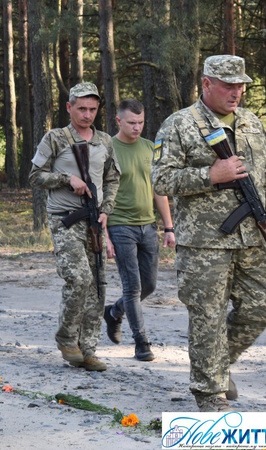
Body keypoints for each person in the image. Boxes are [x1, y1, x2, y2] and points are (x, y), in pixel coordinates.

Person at [152, 54, 266, 412]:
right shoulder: (180, 124)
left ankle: (219, 367)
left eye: (241, 85)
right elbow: (161, 180)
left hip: (253, 236)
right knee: (207, 316)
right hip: (204, 243)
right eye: (228, 85)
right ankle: (209, 394)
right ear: (206, 83)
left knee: (264, 302)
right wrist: (210, 176)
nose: (236, 91)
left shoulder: (251, 122)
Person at [28, 82, 121, 372]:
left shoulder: (104, 141)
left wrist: (106, 210)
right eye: (82, 108)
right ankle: (67, 337)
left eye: (93, 109)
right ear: (69, 108)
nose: (87, 114)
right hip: (65, 218)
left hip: (94, 221)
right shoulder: (56, 138)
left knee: (97, 287)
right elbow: (35, 176)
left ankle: (88, 349)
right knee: (79, 279)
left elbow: (113, 179)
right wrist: (67, 180)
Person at [102, 99, 176, 362]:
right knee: (132, 286)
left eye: (141, 122)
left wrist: (168, 227)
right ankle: (141, 343)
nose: (137, 127)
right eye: (131, 123)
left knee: (150, 285)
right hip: (120, 225)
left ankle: (114, 312)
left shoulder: (150, 148)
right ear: (118, 121)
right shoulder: (107, 148)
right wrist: (105, 235)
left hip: (148, 226)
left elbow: (159, 189)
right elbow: (100, 195)